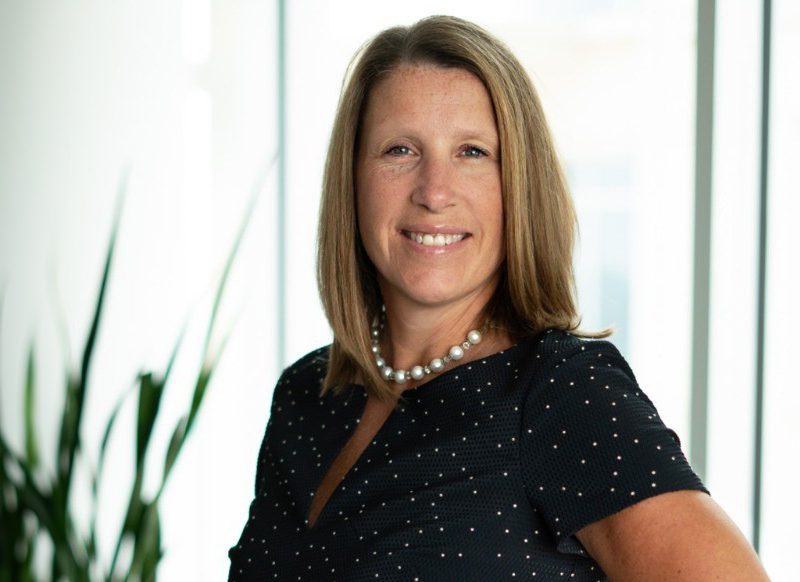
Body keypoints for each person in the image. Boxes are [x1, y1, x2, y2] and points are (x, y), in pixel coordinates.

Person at [228, 15, 769, 581]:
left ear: (519, 185)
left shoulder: (561, 392)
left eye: (472, 152)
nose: (434, 192)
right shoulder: (306, 395)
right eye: (399, 149)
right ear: (353, 177)